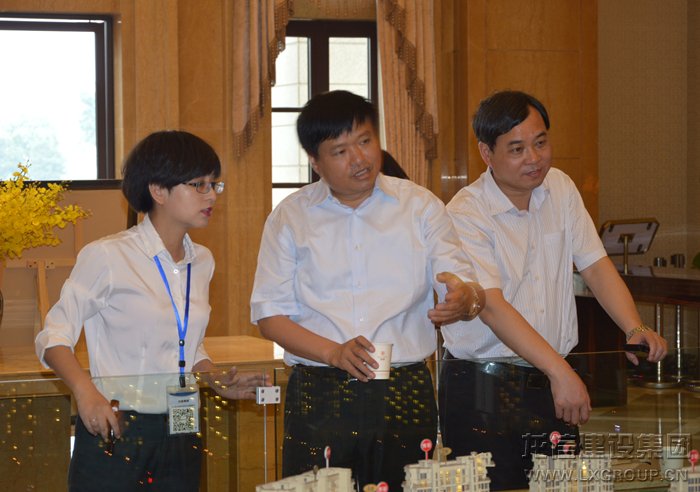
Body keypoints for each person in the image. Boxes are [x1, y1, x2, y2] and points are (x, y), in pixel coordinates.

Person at [250, 90, 484, 490]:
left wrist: (464, 299)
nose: (359, 158)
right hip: (320, 391)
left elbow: (466, 286)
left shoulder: (420, 206)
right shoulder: (290, 218)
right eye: (340, 151)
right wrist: (334, 353)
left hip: (404, 389)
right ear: (315, 161)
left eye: (365, 141)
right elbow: (270, 317)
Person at [439, 90, 668, 490]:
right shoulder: (465, 213)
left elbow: (595, 265)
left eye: (541, 142)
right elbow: (491, 306)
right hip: (483, 389)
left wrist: (634, 327)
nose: (534, 158)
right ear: (486, 153)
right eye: (517, 149)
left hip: (552, 382)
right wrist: (560, 372)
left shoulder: (559, 188)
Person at [35, 130, 267, 492]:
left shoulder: (202, 261)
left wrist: (214, 378)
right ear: (158, 190)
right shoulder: (108, 256)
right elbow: (53, 337)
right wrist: (85, 392)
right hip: (118, 420)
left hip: (183, 421)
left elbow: (187, 345)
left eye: (214, 185)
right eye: (199, 185)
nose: (211, 195)